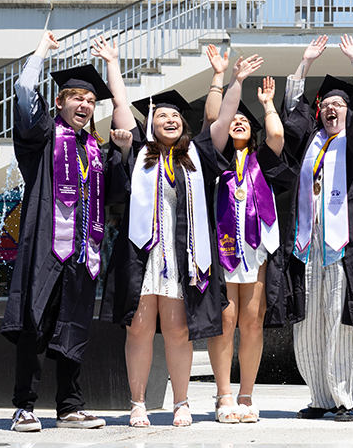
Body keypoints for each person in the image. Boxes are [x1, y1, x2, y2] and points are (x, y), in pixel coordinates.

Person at [101, 55, 260, 427]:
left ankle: (181, 402)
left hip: (182, 257)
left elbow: (222, 121)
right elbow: (122, 106)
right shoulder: (139, 152)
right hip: (142, 255)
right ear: (151, 123)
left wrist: (233, 80)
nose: (170, 120)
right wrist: (112, 63)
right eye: (161, 117)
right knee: (138, 327)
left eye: (175, 117)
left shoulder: (197, 155)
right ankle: (138, 402)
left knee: (177, 329)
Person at [3, 31, 136, 432]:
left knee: (74, 325)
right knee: (36, 321)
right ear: (59, 102)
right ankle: (24, 406)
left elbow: (116, 189)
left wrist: (125, 151)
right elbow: (25, 89)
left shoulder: (95, 151)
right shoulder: (41, 139)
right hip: (46, 246)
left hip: (83, 253)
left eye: (91, 100)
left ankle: (69, 406)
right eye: (77, 97)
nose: (85, 104)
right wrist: (43, 49)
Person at [282, 34, 353, 423]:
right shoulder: (309, 138)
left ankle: (344, 398)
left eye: (340, 104)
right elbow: (292, 109)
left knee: (339, 316)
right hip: (307, 242)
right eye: (328, 105)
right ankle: (319, 396)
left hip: (343, 241)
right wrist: (304, 63)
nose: (332, 109)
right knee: (309, 320)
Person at [203, 44, 289, 423]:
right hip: (220, 250)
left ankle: (247, 394)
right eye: (232, 119)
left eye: (244, 120)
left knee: (252, 320)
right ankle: (223, 396)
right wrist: (222, 78)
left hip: (255, 252)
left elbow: (277, 136)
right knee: (225, 319)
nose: (237, 122)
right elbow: (212, 119)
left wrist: (268, 104)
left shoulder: (263, 163)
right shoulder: (214, 157)